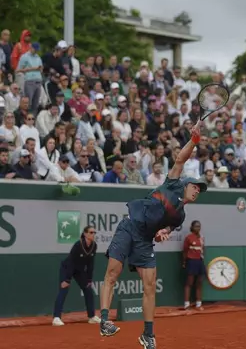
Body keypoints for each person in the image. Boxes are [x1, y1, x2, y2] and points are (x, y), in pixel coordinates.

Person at [98, 122, 208, 349]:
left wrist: (161, 236)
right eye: (195, 186)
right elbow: (180, 159)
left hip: (144, 240)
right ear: (186, 185)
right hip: (129, 227)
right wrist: (194, 141)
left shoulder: (180, 217)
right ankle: (104, 320)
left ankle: (148, 335)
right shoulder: (174, 183)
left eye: (200, 189)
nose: (197, 190)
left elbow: (163, 233)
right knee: (112, 273)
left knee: (149, 285)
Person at [52, 225, 100, 326]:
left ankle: (91, 317)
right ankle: (56, 318)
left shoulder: (94, 246)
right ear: (85, 234)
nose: (93, 234)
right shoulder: (78, 245)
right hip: (67, 268)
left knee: (88, 290)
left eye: (94, 233)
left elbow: (90, 263)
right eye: (91, 232)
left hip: (79, 270)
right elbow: (71, 262)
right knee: (64, 290)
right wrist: (67, 280)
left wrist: (89, 279)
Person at [182, 220, 205, 311]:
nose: (198, 228)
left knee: (199, 282)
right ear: (192, 227)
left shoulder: (202, 238)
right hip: (191, 261)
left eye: (199, 226)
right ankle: (186, 304)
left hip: (199, 261)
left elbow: (203, 249)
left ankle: (198, 304)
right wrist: (184, 262)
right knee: (189, 283)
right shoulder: (188, 238)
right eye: (196, 226)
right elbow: (184, 251)